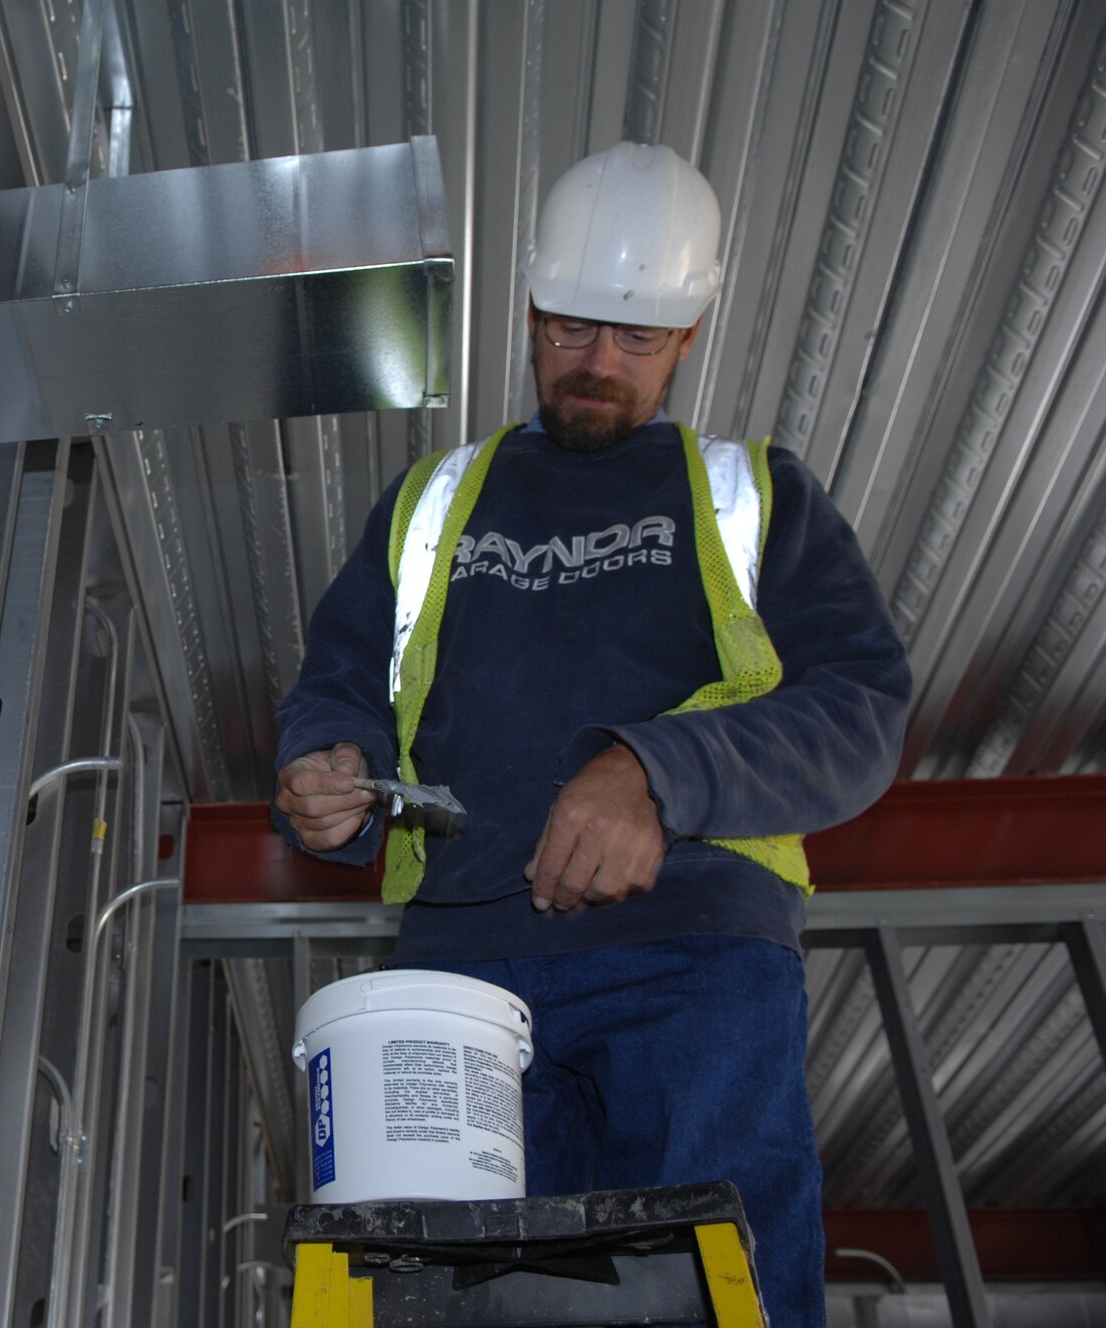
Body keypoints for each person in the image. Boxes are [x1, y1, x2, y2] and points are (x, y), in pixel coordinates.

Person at [271, 141, 912, 1327]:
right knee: (430, 1297)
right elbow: (340, 678)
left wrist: (656, 771)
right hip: (452, 971)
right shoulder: (429, 501)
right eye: (569, 328)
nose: (595, 364)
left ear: (687, 335)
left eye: (634, 340)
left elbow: (860, 707)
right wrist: (328, 763)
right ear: (527, 308)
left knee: (723, 1293)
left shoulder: (755, 492)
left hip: (692, 964)